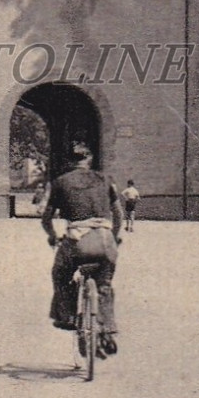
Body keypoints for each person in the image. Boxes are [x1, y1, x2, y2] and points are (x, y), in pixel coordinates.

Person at [41, 144, 124, 357]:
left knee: (60, 274)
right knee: (104, 284)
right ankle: (107, 330)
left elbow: (47, 218)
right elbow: (119, 215)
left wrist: (52, 236)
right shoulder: (106, 180)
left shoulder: (60, 182)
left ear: (69, 161)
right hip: (105, 240)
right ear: (90, 159)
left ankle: (67, 316)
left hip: (78, 240)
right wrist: (114, 237)